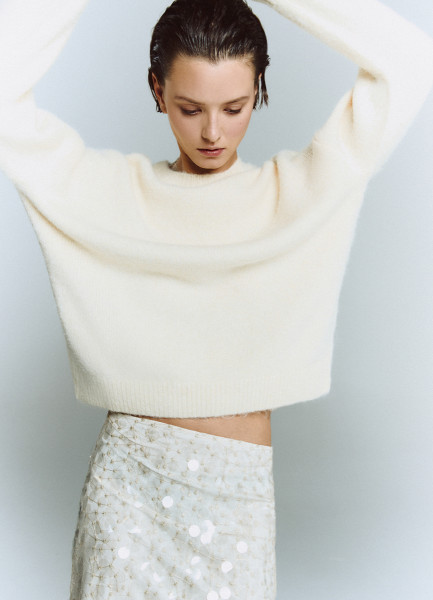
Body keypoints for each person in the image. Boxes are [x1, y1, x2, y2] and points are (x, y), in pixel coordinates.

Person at [0, 0, 432, 598]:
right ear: (157, 89)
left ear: (259, 88)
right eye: (190, 108)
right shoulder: (109, 195)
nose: (212, 132)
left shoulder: (298, 196)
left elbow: (410, 58)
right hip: (128, 499)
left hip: (238, 504)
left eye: (235, 107)